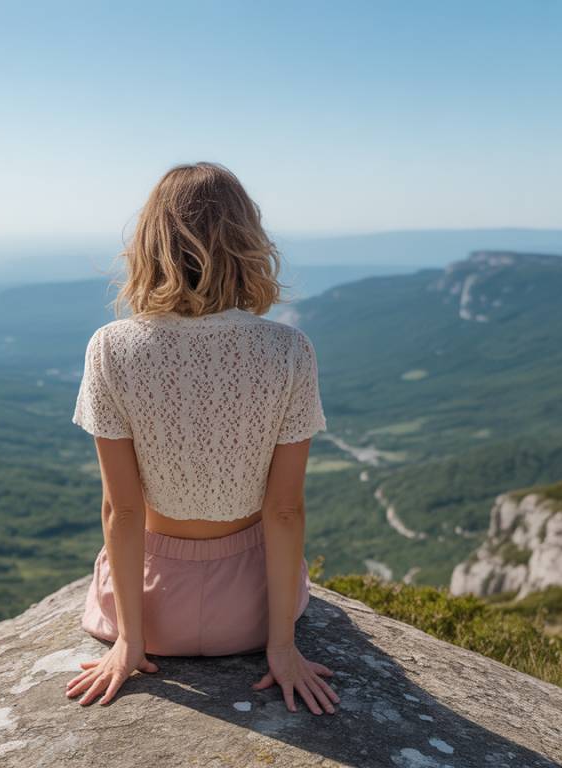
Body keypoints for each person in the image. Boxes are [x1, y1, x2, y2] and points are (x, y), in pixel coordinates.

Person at [66, 162, 340, 716]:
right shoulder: (289, 351)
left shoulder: (111, 348)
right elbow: (284, 512)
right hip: (253, 609)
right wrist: (281, 646)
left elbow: (121, 511)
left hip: (149, 606)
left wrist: (128, 642)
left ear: (150, 243)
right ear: (247, 242)